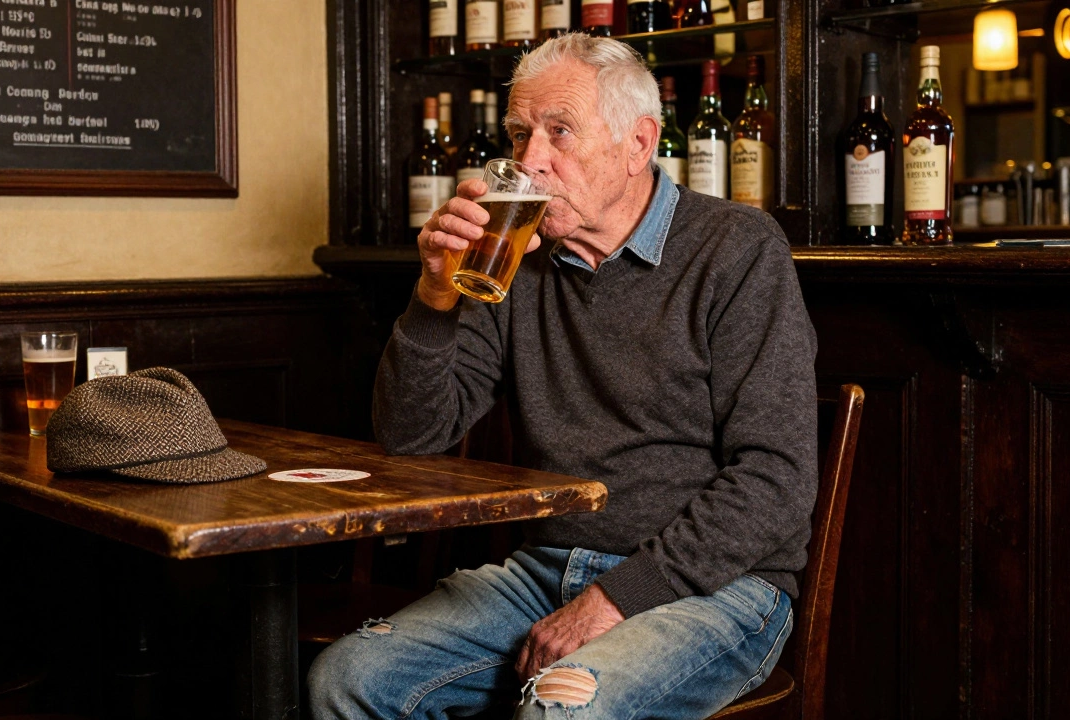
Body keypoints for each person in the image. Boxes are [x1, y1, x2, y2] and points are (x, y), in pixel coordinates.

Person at [310, 33, 817, 720]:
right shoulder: (517, 257)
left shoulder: (738, 249)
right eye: (520, 135)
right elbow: (411, 435)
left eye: (559, 133)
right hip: (546, 571)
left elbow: (775, 480)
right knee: (346, 678)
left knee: (563, 710)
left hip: (716, 588)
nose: (529, 162)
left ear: (638, 144)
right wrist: (434, 297)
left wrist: (615, 599)